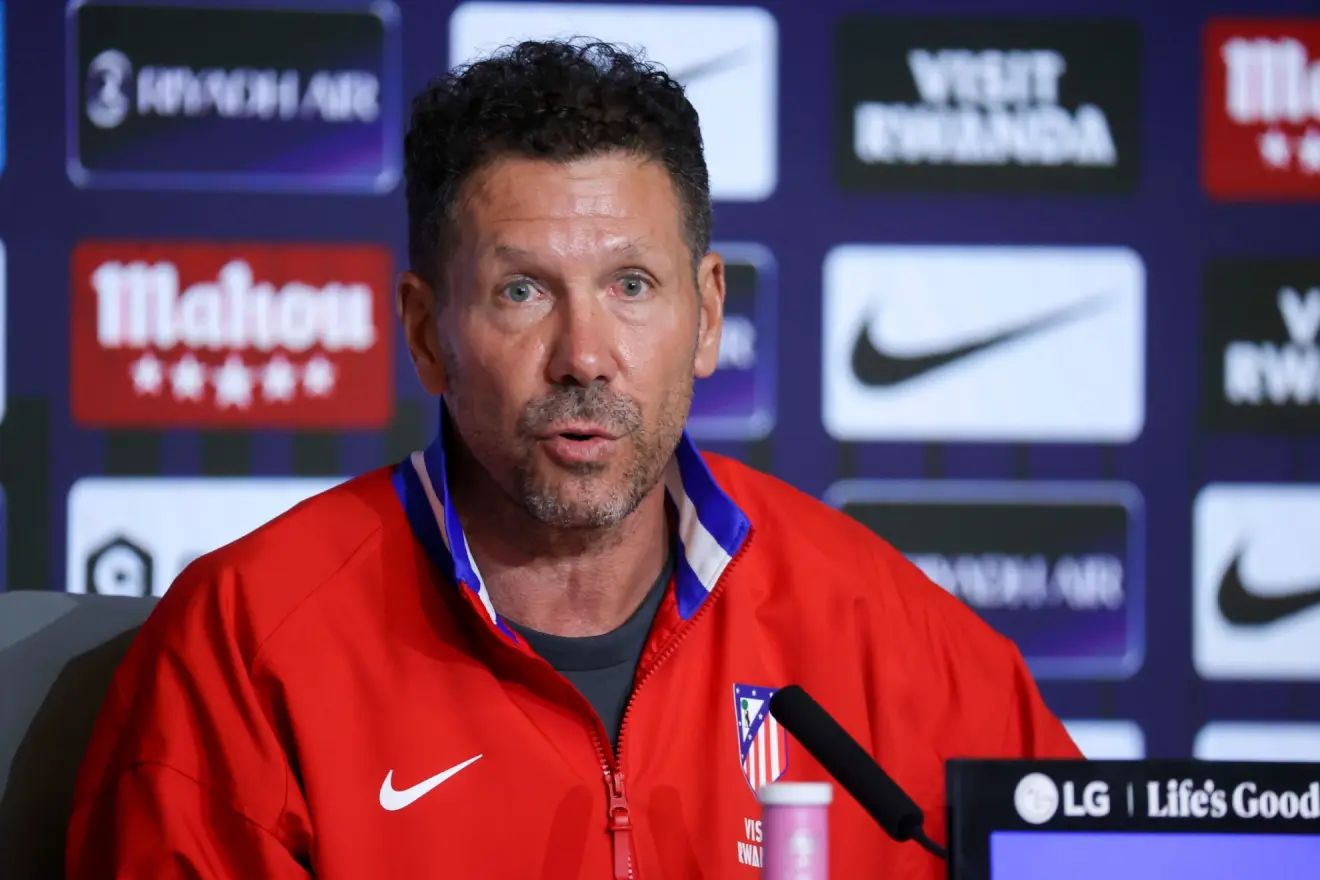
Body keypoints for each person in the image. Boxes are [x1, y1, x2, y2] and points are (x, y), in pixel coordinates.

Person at [66, 40, 1079, 879]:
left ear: (707, 315)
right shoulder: (248, 645)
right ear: (425, 333)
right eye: (522, 292)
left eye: (632, 284)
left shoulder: (901, 642)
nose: (584, 355)